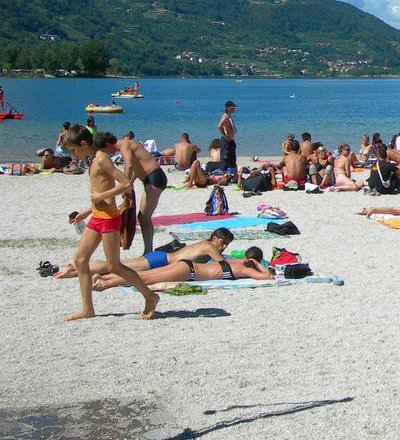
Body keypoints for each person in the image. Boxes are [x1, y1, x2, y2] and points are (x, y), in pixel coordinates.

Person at [62, 124, 158, 321]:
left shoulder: (101, 160)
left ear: (82, 144)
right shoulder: (92, 161)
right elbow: (99, 196)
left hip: (108, 219)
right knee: (81, 260)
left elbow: (125, 183)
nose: (72, 154)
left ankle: (150, 296)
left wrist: (101, 196)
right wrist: (84, 213)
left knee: (114, 266)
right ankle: (87, 308)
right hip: (97, 217)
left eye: (73, 150)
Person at [54, 228, 234, 279]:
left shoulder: (204, 245)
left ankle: (76, 270)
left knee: (116, 266)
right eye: (223, 242)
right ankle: (75, 270)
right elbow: (223, 264)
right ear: (214, 238)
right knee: (115, 266)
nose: (224, 247)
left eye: (226, 244)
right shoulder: (209, 247)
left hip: (159, 258)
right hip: (161, 261)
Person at [97, 132, 168, 255]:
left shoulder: (124, 145)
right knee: (144, 217)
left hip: (154, 178)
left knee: (143, 217)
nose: (106, 154)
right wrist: (130, 183)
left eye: (104, 150)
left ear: (108, 144)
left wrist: (125, 186)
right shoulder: (128, 145)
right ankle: (148, 250)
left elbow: (129, 166)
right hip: (152, 179)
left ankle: (148, 251)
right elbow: (136, 166)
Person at [93, 247, 273, 291]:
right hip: (190, 272)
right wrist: (257, 265)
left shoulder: (233, 259)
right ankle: (105, 284)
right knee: (146, 279)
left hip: (186, 264)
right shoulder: (244, 269)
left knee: (144, 275)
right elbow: (267, 277)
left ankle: (106, 278)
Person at [217, 100, 238, 174]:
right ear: (228, 108)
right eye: (232, 108)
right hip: (226, 141)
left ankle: (235, 176)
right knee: (225, 161)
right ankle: (224, 178)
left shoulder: (229, 117)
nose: (233, 109)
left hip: (231, 141)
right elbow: (219, 126)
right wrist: (225, 136)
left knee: (232, 160)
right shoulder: (225, 116)